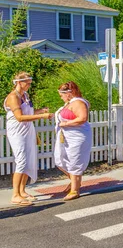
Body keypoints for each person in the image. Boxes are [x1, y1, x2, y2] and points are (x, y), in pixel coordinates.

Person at [3, 72, 53, 206]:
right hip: (17, 132)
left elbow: (28, 113)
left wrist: (40, 111)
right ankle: (15, 195)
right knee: (21, 161)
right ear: (19, 82)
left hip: (28, 130)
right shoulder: (13, 97)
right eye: (27, 83)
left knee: (29, 160)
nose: (29, 85)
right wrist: (41, 117)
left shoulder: (25, 96)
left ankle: (22, 191)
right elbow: (19, 117)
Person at [54, 81, 93, 201]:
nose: (61, 97)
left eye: (62, 94)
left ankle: (75, 190)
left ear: (69, 93)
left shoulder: (79, 103)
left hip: (77, 136)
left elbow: (82, 118)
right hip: (66, 136)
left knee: (74, 160)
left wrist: (65, 123)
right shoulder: (69, 103)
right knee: (60, 160)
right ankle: (74, 181)